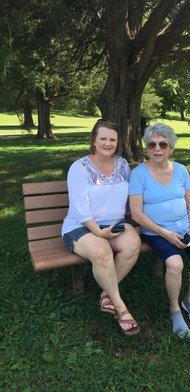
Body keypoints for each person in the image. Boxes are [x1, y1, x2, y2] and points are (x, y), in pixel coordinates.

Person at [129, 123, 190, 338]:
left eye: (163, 144)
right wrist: (166, 234)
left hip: (184, 227)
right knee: (175, 264)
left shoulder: (181, 170)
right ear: (147, 147)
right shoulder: (138, 174)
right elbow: (136, 215)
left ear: (171, 148)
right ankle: (175, 309)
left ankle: (189, 300)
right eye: (151, 144)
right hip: (155, 231)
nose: (157, 149)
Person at [62, 119, 141, 335]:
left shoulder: (123, 165)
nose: (108, 143)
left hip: (114, 223)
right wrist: (97, 232)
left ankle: (106, 294)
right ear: (94, 141)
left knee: (133, 244)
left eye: (112, 139)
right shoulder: (79, 168)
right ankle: (121, 308)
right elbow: (80, 208)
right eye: (103, 138)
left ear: (118, 142)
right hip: (80, 225)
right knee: (102, 251)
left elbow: (134, 195)